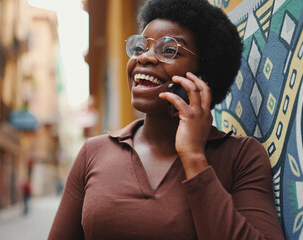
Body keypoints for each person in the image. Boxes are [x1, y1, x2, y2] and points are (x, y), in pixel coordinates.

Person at [49, 0, 285, 239]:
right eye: (140, 47)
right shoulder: (93, 153)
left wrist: (193, 157)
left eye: (169, 50)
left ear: (203, 74)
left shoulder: (241, 158)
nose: (145, 58)